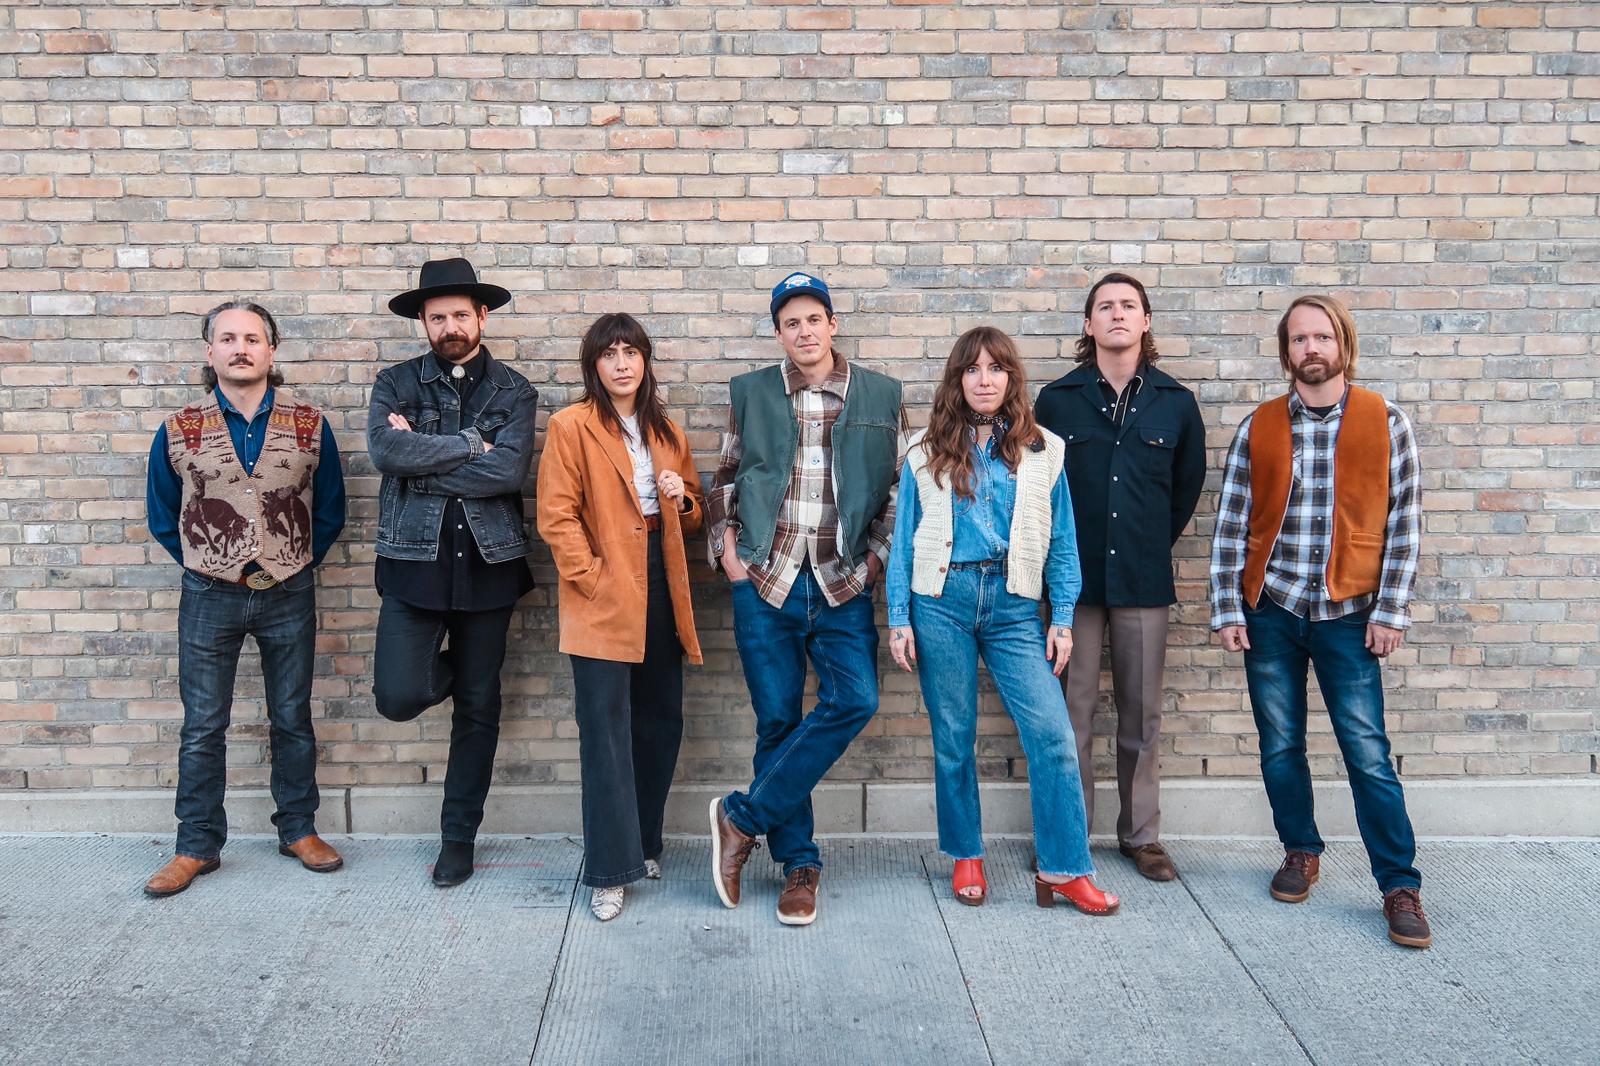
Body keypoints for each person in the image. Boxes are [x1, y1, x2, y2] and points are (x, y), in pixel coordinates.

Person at [1210, 294, 1431, 949]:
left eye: (1322, 337)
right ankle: (1300, 850)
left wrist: (1391, 610)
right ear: (1287, 352)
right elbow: (1231, 523)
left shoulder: (1385, 421)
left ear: (1342, 345)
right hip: (1272, 611)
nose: (1311, 348)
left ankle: (1399, 884)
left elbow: (1405, 525)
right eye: (1299, 339)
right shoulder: (1260, 426)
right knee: (1280, 747)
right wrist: (1228, 606)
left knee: (1367, 755)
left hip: (1350, 614)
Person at [886, 327, 1118, 915]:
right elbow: (905, 540)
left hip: (1015, 606)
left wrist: (1060, 617)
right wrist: (899, 617)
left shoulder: (1044, 451)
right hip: (941, 601)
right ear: (956, 380)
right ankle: (966, 854)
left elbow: (1063, 540)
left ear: (1012, 378)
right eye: (971, 369)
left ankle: (1063, 869)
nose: (983, 380)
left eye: (995, 369)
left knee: (1052, 734)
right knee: (954, 736)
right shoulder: (923, 450)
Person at [705, 272, 903, 926]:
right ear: (780, 333)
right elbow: (727, 478)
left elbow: (899, 492)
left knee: (857, 698)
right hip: (767, 580)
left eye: (814, 318)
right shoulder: (754, 392)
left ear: (832, 323)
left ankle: (742, 817)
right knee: (778, 723)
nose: (805, 331)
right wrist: (727, 553)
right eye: (791, 323)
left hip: (843, 581)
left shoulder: (880, 394)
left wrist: (876, 561)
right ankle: (800, 867)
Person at [142, 300, 347, 897]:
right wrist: (212, 565)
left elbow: (331, 509)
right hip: (209, 596)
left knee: (292, 717)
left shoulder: (310, 424)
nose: (240, 348)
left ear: (271, 351)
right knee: (204, 724)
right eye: (227, 338)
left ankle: (299, 829)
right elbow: (163, 515)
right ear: (210, 352)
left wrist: (292, 561)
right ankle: (196, 845)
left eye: (252, 338)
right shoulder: (179, 428)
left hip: (290, 590)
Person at [367, 258, 538, 888]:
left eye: (460, 314)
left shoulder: (514, 392)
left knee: (478, 707)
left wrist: (422, 460)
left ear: (482, 316)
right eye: (437, 317)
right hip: (413, 565)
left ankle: (457, 839)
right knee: (398, 694)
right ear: (423, 323)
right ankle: (443, 679)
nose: (450, 327)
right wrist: (472, 445)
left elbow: (509, 475)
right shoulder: (395, 383)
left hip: (491, 565)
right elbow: (386, 451)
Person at [1034, 273, 1205, 882]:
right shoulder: (1056, 402)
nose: (1116, 315)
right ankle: (1068, 837)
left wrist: (1145, 543)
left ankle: (1141, 836)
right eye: (1104, 307)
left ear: (1146, 321)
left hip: (1142, 580)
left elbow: (1185, 488)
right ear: (1087, 325)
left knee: (1141, 715)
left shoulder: (1176, 403)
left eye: (1128, 306)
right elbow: (1038, 492)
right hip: (1071, 587)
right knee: (1069, 714)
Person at [536, 314, 705, 922]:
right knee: (605, 732)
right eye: (609, 354)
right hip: (604, 588)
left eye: (631, 352)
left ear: (646, 362)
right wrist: (593, 578)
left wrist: (680, 499)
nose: (622, 364)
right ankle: (609, 869)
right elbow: (556, 516)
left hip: (662, 582)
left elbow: (693, 513)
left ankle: (645, 844)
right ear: (594, 365)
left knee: (660, 720)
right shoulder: (570, 426)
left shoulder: (667, 431)